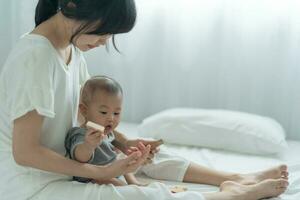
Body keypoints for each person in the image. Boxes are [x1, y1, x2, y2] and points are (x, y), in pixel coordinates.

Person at [0, 0, 289, 199]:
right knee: (135, 193)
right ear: (74, 5)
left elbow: (87, 118)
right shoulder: (35, 57)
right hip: (33, 188)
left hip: (69, 160)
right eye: (104, 30)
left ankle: (234, 178)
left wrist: (124, 143)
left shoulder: (72, 50)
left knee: (138, 156)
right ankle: (229, 196)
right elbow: (25, 153)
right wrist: (99, 170)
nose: (104, 41)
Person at [64, 75, 147, 186]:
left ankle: (133, 182)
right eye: (104, 112)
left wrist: (132, 151)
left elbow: (115, 145)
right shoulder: (80, 133)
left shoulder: (107, 132)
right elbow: (79, 157)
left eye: (116, 113)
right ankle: (128, 187)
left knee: (123, 159)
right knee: (116, 183)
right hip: (92, 176)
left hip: (112, 169)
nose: (111, 118)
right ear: (84, 110)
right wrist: (88, 146)